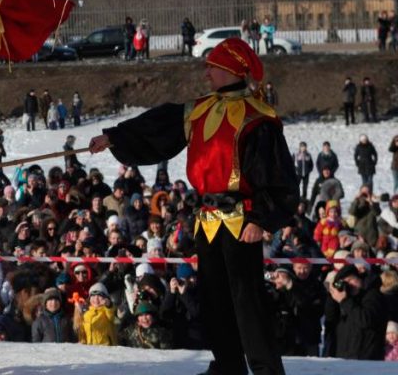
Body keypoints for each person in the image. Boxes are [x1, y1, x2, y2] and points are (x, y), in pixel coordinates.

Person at [89, 37, 297, 375]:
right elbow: (157, 126)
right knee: (214, 301)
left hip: (241, 221)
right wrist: (114, 137)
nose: (207, 73)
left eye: (212, 67)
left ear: (230, 70)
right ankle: (228, 367)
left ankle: (266, 371)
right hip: (208, 221)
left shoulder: (257, 118)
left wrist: (260, 219)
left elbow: (275, 175)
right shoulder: (198, 109)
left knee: (248, 303)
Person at [328, 264, 387, 360]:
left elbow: (365, 320)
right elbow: (330, 317)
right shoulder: (346, 299)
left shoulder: (373, 295)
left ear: (360, 278)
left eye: (351, 280)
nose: (349, 285)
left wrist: (344, 301)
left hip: (367, 357)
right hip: (344, 356)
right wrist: (332, 295)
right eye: (345, 282)